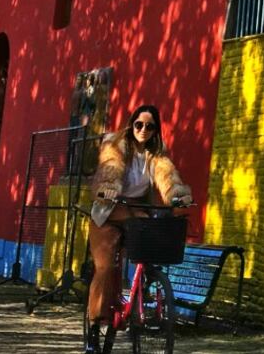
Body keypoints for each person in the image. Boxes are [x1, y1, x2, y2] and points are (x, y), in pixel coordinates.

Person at [86, 104, 191, 349]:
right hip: (109, 212)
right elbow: (109, 169)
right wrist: (107, 186)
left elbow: (168, 176)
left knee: (151, 242)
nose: (144, 130)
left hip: (136, 213)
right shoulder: (115, 145)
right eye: (139, 124)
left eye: (150, 126)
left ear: (155, 131)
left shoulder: (156, 154)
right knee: (105, 266)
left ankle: (140, 294)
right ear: (131, 124)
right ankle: (93, 328)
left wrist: (177, 195)